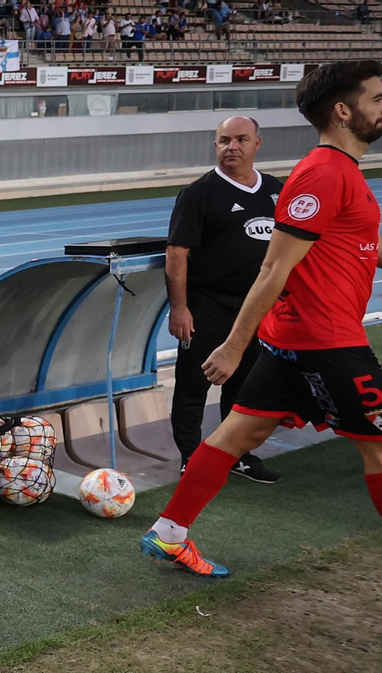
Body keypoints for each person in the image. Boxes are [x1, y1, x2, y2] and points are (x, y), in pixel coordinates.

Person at [141, 61, 382, 618]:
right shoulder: (324, 174)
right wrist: (232, 345)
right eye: (378, 97)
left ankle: (170, 531)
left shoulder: (338, 173)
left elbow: (375, 247)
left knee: (235, 435)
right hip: (327, 343)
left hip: (295, 340)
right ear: (344, 111)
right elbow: (273, 269)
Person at [165, 116, 284, 483]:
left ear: (257, 143)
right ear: (215, 145)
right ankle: (191, 456)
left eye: (241, 139)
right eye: (224, 140)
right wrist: (179, 308)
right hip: (208, 305)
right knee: (193, 385)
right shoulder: (198, 193)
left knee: (246, 386)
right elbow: (176, 254)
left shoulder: (277, 190)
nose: (232, 146)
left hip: (256, 307)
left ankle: (236, 454)